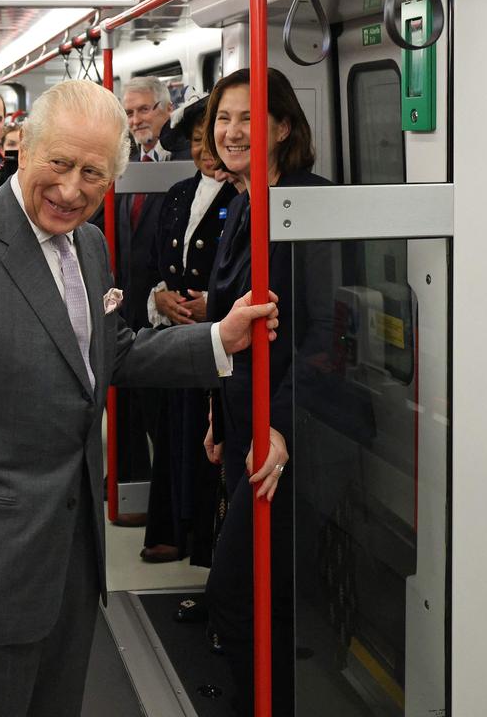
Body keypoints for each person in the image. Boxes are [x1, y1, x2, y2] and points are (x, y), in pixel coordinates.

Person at [0, 79, 279, 717]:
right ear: (24, 148)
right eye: (59, 164)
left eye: (94, 172)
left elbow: (106, 355)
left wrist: (217, 340)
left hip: (74, 559)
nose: (72, 189)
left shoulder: (88, 245)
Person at [202, 67, 334, 717]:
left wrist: (277, 425)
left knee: (239, 590)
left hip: (287, 436)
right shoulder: (244, 202)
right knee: (254, 592)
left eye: (249, 118)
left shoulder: (307, 203)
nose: (233, 131)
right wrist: (218, 420)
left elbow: (330, 336)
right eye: (224, 118)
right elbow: (228, 326)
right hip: (242, 429)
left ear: (283, 126)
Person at [145, 95, 243, 568]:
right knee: (175, 436)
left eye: (213, 139)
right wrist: (159, 298)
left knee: (209, 444)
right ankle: (172, 525)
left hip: (218, 335)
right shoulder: (179, 193)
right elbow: (152, 261)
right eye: (199, 139)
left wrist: (213, 305)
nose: (207, 149)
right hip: (175, 332)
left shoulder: (241, 196)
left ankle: (205, 542)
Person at [98, 76, 187, 531]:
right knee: (125, 406)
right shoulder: (121, 164)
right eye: (129, 113)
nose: (136, 121)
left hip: (164, 308)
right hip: (123, 302)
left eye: (144, 110)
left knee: (161, 409)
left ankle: (165, 505)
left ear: (166, 109)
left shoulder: (187, 163)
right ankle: (128, 483)